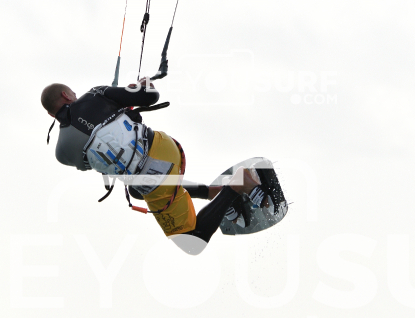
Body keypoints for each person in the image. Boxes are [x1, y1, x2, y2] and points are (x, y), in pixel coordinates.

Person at [41, 81, 270, 255]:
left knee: (192, 243)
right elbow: (150, 96)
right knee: (135, 191)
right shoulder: (97, 94)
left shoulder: (62, 153)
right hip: (165, 148)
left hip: (156, 176)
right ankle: (211, 193)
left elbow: (96, 160)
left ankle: (237, 185)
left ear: (52, 114)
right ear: (66, 95)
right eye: (72, 93)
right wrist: (142, 85)